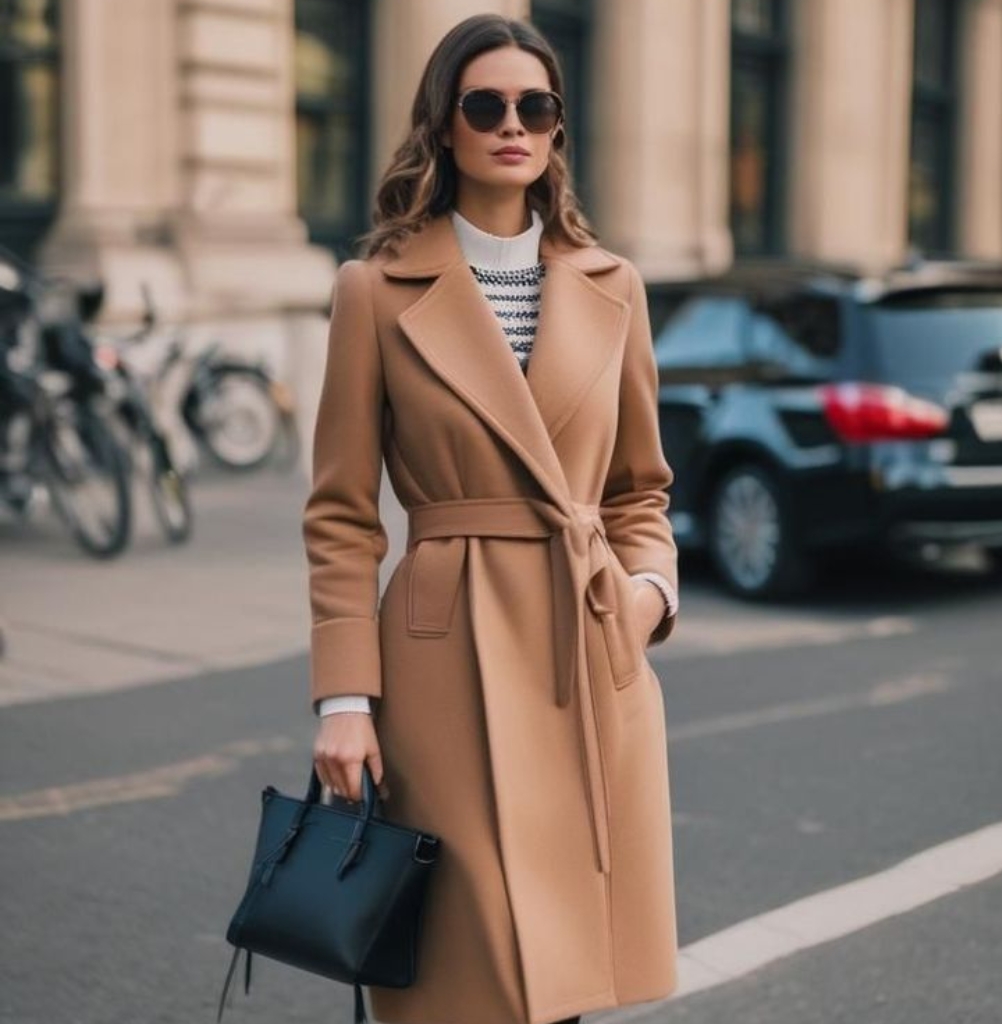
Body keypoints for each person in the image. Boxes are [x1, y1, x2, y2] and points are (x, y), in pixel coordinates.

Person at [303, 14, 680, 1024]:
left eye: (535, 107)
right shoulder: (373, 292)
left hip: (585, 636)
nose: (512, 125)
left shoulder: (614, 287)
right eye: (485, 105)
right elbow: (342, 515)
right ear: (444, 126)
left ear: (557, 130)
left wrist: (645, 595)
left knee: (566, 969)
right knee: (462, 972)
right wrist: (343, 693)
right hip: (443, 656)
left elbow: (638, 488)